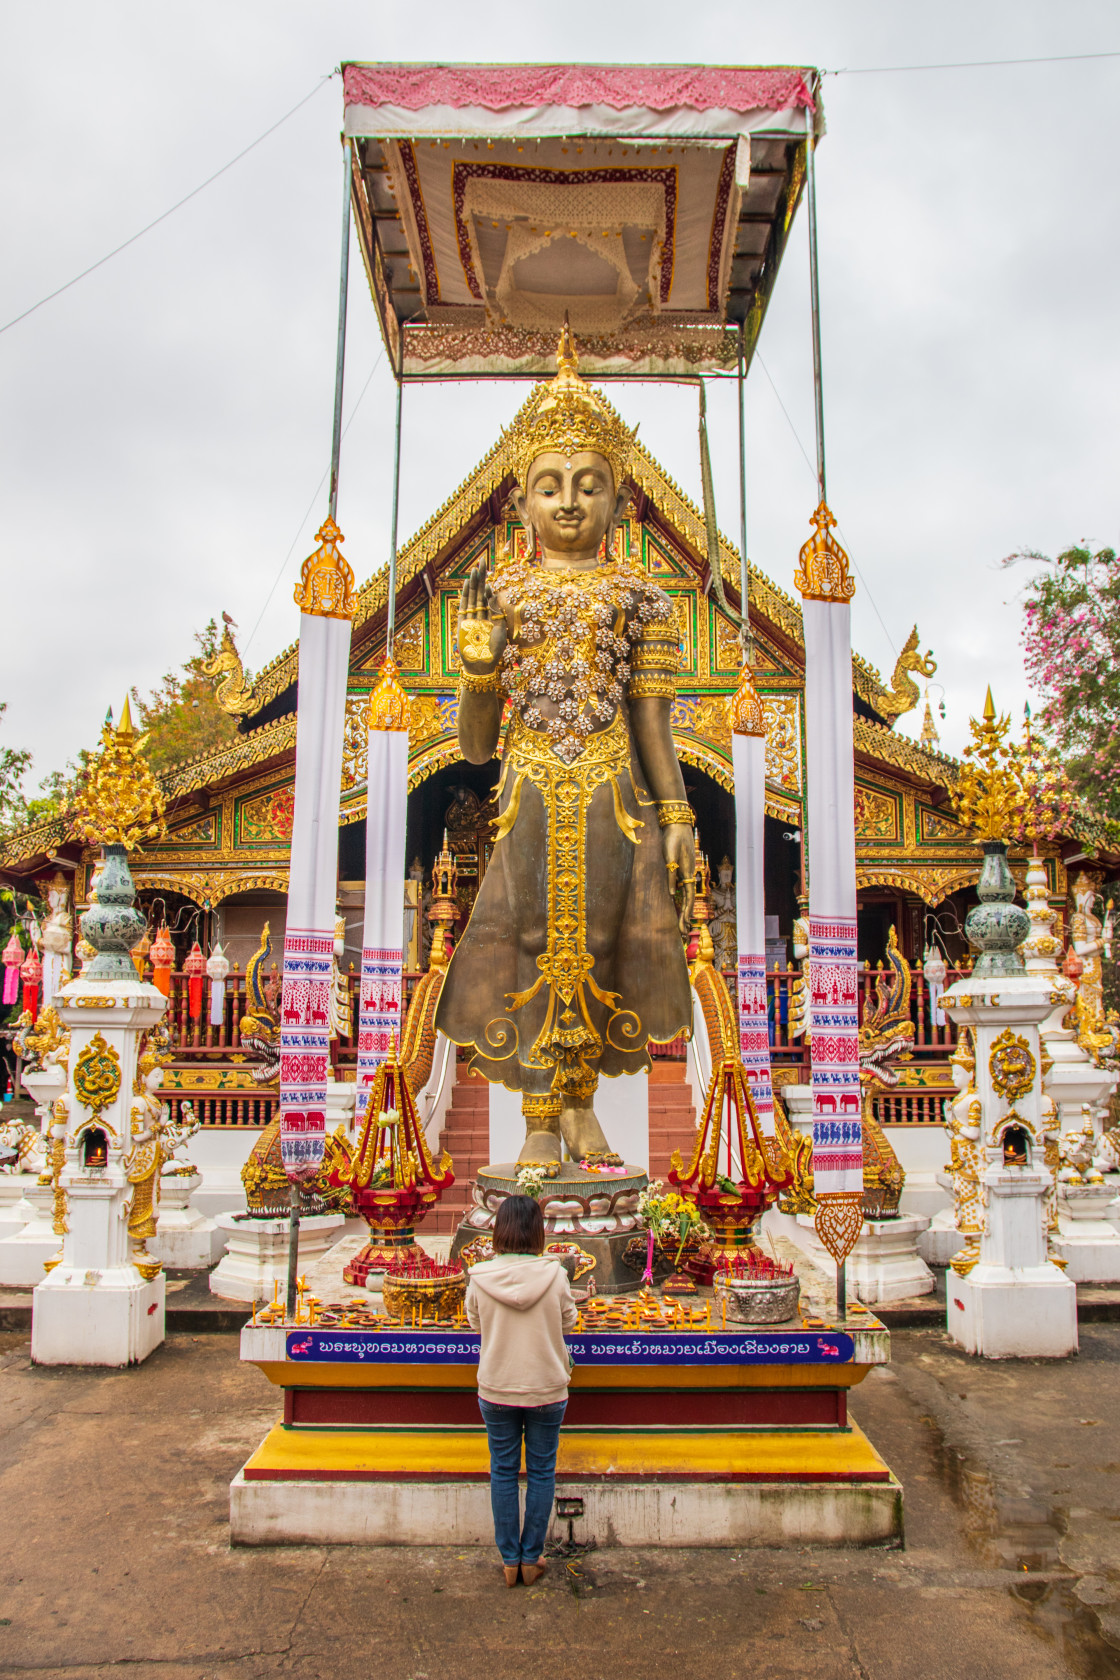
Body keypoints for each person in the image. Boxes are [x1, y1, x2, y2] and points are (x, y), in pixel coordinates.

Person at [436, 324, 694, 1165]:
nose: (570, 501)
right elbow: (475, 748)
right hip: (532, 785)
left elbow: (652, 720)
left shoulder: (643, 598)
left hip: (615, 791)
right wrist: (479, 670)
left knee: (601, 942)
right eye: (550, 487)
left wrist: (679, 813)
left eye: (589, 486)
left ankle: (580, 1104)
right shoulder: (501, 593)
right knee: (531, 942)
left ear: (621, 502)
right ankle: (538, 1120)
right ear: (521, 503)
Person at [465, 1194, 577, 1587]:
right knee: (542, 1471)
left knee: (503, 1471)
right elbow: (569, 1320)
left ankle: (510, 1560)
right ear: (538, 1231)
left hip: (497, 1386)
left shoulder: (480, 1277)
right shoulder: (555, 1275)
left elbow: (475, 1324)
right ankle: (532, 1558)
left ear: (498, 1229)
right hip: (546, 1386)